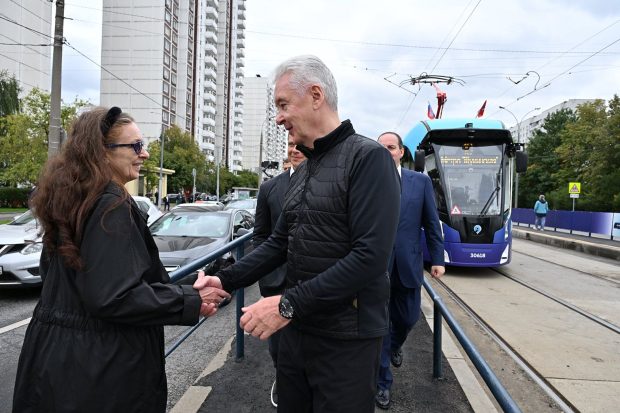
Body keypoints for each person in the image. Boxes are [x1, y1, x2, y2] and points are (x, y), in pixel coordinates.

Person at [194, 55, 401, 412]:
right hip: (298, 332)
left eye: (283, 104)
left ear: (316, 95)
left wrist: (287, 304)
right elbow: (278, 243)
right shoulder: (304, 170)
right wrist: (224, 279)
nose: (278, 117)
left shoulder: (368, 158)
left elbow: (369, 257)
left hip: (346, 340)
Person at [13, 107, 229, 413]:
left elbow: (94, 279)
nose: (145, 154)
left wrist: (185, 287)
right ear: (102, 152)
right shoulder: (110, 206)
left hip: (58, 357)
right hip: (100, 368)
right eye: (136, 146)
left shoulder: (73, 199)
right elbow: (114, 296)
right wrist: (190, 300)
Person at [375, 132, 446, 409]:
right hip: (376, 268)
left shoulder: (420, 182)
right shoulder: (366, 180)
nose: (386, 152)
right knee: (380, 328)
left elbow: (431, 223)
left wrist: (437, 259)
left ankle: (395, 346)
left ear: (401, 152)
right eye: (381, 148)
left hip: (408, 265)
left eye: (391, 147)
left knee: (407, 318)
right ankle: (382, 383)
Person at [253, 133, 306, 407]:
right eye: (290, 145)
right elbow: (260, 236)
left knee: (307, 341)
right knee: (278, 346)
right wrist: (265, 274)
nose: (294, 150)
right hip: (276, 280)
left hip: (311, 280)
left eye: (299, 145)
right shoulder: (269, 188)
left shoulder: (328, 182)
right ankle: (282, 378)